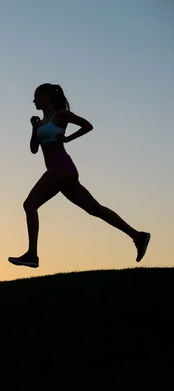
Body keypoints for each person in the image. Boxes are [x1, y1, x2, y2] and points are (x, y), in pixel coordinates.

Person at [8, 83, 150, 268]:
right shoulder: (41, 123)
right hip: (59, 172)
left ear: (47, 96)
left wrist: (67, 138)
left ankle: (32, 255)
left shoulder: (61, 116)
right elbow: (34, 149)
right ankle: (138, 236)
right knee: (95, 209)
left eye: (37, 95)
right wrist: (34, 128)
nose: (34, 100)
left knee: (30, 204)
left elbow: (87, 125)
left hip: (61, 168)